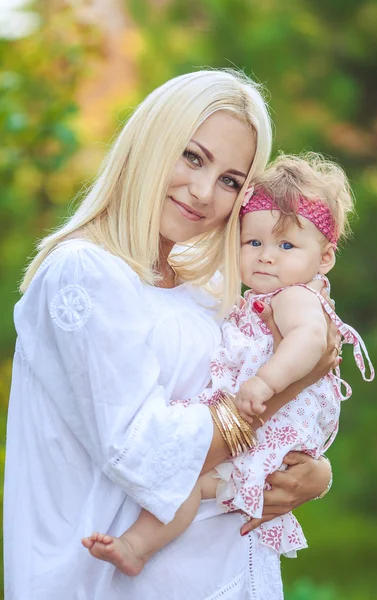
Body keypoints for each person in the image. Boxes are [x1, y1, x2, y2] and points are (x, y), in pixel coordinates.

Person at [4, 71, 338, 600]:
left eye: (231, 180)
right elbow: (146, 452)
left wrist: (311, 473)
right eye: (192, 156)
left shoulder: (208, 288)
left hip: (234, 572)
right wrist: (293, 384)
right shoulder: (86, 274)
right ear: (152, 142)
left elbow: (256, 416)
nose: (205, 192)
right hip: (114, 582)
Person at [81, 153, 374, 592]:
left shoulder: (296, 297)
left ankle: (136, 547)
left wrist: (266, 382)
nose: (266, 258)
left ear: (326, 258)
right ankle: (135, 547)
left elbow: (312, 343)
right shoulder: (256, 297)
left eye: (286, 246)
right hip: (256, 422)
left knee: (194, 483)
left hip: (269, 421)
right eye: (253, 243)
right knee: (196, 485)